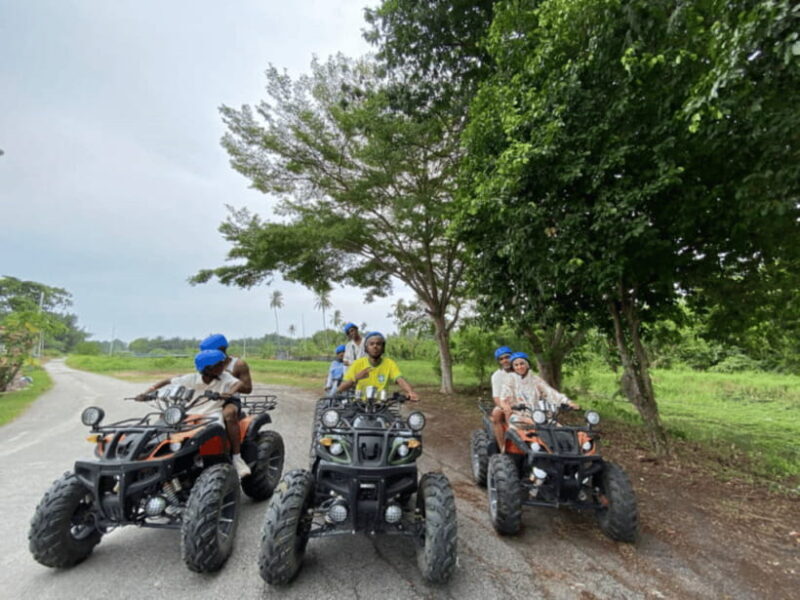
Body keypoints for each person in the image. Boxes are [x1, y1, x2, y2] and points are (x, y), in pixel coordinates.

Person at [138, 349, 251, 478]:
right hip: (191, 412)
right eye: (219, 364)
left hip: (212, 413)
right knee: (166, 426)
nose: (223, 366)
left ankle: (235, 458)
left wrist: (229, 393)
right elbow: (167, 381)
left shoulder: (225, 376)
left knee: (216, 433)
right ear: (208, 368)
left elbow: (239, 383)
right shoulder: (192, 378)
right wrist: (147, 393)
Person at [337, 332, 419, 401]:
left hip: (381, 407)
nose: (375, 346)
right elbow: (340, 388)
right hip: (360, 406)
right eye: (371, 344)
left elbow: (399, 379)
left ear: (383, 348)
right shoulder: (357, 364)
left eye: (378, 344)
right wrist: (356, 378)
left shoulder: (389, 363)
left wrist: (410, 392)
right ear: (366, 348)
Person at [501, 351, 580, 414]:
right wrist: (506, 405)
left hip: (538, 415)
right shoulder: (510, 380)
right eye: (516, 365)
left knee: (559, 429)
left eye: (522, 364)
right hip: (518, 414)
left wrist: (568, 402)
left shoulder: (535, 380)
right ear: (513, 367)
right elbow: (503, 397)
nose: (519, 367)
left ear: (527, 365)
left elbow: (551, 393)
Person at [490, 346, 515, 451]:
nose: (505, 360)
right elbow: (496, 397)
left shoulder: (520, 369)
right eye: (501, 358)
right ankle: (502, 447)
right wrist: (505, 407)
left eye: (507, 357)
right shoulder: (497, 376)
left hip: (524, 402)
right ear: (499, 361)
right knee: (496, 414)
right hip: (505, 403)